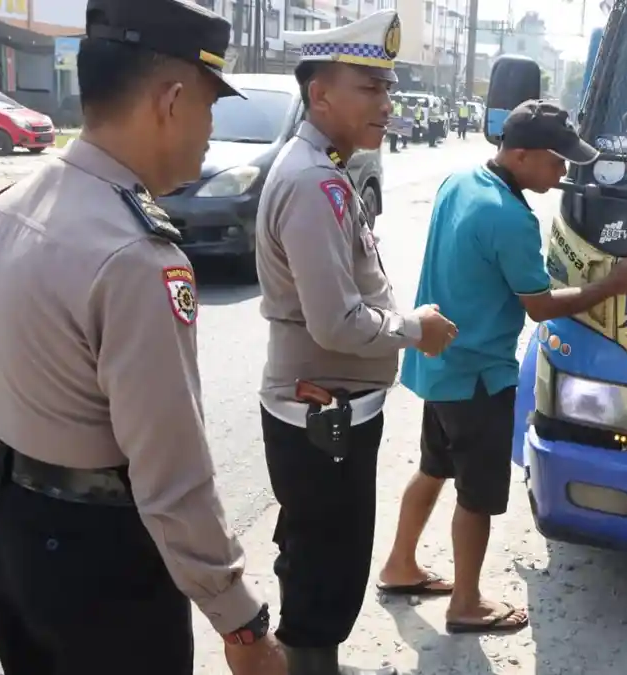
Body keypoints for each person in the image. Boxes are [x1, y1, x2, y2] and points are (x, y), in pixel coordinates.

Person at [0, 1, 287, 674]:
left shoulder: (4, 205)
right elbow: (170, 474)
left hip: (5, 516)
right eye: (212, 107)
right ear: (172, 100)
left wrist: (43, 419)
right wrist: (242, 622)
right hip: (100, 558)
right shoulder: (139, 257)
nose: (213, 131)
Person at [377, 99, 627, 634]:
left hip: (440, 365)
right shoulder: (509, 216)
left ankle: (401, 564)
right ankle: (466, 603)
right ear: (519, 155)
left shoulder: (461, 181)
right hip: (477, 377)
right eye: (556, 161)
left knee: (434, 466)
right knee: (478, 495)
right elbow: (540, 306)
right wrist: (615, 284)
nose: (564, 172)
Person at [256, 10, 458, 675]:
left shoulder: (328, 168)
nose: (388, 102)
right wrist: (415, 330)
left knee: (325, 553)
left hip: (334, 408)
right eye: (370, 88)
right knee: (324, 561)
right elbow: (335, 323)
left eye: (388, 87)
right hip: (322, 410)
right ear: (321, 94)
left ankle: (318, 661)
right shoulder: (312, 180)